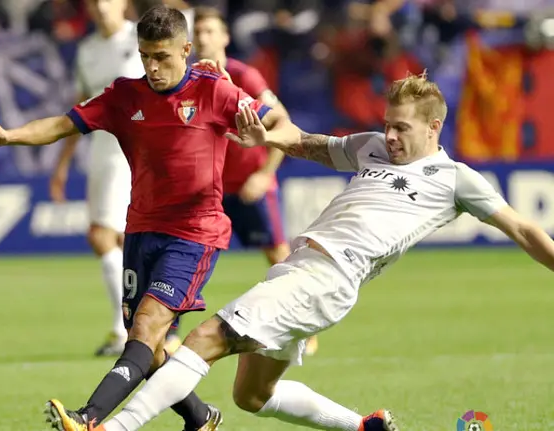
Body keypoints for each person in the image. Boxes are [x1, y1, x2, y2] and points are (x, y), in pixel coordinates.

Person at [86, 72, 554, 431]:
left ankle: (114, 426)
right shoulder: (372, 147)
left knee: (202, 339)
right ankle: (363, 426)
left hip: (326, 277)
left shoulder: (456, 179)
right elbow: (309, 144)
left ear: (434, 127)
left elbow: (523, 229)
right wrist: (265, 136)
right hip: (301, 270)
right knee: (252, 396)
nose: (389, 136)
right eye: (386, 124)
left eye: (401, 129)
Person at [0, 5, 292, 431]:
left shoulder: (214, 91)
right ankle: (200, 417)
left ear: (186, 50)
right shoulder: (124, 96)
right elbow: (63, 125)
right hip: (142, 231)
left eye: (162, 57)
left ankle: (89, 418)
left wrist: (264, 136)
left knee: (146, 328)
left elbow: (281, 123)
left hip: (195, 234)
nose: (153, 67)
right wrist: (10, 135)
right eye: (146, 57)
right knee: (147, 345)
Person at [191, 6, 320, 356]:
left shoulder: (243, 75)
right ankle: (169, 332)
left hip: (250, 185)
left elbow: (283, 122)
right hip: (211, 190)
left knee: (279, 258)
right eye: (198, 32)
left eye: (209, 31)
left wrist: (264, 175)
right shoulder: (188, 79)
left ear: (224, 38)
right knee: (188, 253)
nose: (202, 37)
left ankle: (306, 327)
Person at [49, 0, 146, 358]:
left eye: (109, 0)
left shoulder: (143, 37)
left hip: (137, 144)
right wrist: (63, 162)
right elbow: (80, 107)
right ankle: (139, 328)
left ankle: (126, 331)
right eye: (95, 2)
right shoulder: (88, 50)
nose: (102, 7)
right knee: (119, 239)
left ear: (125, 4)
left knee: (104, 236)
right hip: (104, 150)